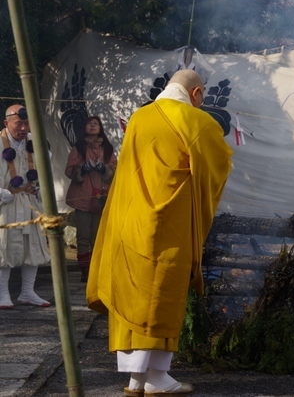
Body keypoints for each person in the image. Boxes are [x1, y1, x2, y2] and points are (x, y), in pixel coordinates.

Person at [86, 70, 233, 396]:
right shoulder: (199, 123)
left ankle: (136, 378)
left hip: (129, 219)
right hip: (168, 223)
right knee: (159, 296)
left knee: (132, 293)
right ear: (195, 94)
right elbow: (218, 164)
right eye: (203, 96)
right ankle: (156, 376)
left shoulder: (139, 117)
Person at [0, 105, 51, 309]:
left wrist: (40, 188)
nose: (23, 128)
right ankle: (3, 293)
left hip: (30, 202)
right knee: (5, 247)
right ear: (6, 123)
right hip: (5, 203)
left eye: (26, 123)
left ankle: (27, 292)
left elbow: (46, 171)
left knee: (34, 245)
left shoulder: (36, 142)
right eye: (18, 123)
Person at [64, 116, 117, 282]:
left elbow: (116, 169)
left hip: (102, 195)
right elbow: (69, 170)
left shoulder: (107, 148)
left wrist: (105, 169)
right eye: (90, 123)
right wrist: (83, 168)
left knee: (98, 235)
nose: (93, 126)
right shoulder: (78, 148)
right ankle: (85, 270)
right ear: (85, 127)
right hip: (83, 195)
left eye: (96, 124)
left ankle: (98, 269)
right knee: (84, 236)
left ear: (100, 128)